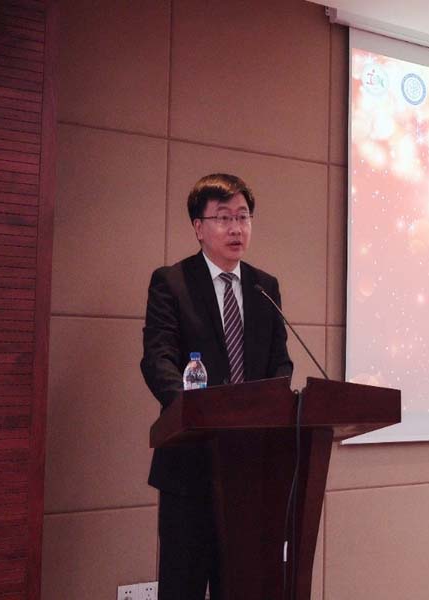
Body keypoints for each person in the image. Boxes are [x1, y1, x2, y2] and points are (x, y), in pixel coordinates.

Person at [140, 173, 293, 600]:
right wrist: (194, 412)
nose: (236, 228)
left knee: (243, 587)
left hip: (251, 468)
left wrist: (269, 404)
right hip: (190, 464)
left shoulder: (265, 287)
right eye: (224, 217)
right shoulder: (172, 282)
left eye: (243, 217)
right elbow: (158, 359)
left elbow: (279, 361)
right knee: (183, 587)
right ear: (198, 227)